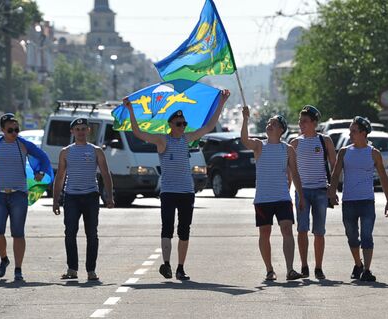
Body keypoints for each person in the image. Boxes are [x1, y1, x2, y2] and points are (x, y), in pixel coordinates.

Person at [123, 89, 230, 280]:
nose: (182, 127)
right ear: (171, 125)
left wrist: (222, 101)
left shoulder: (187, 139)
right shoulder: (162, 140)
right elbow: (138, 133)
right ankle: (166, 264)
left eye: (184, 124)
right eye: (179, 124)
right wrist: (131, 110)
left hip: (186, 192)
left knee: (184, 229)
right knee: (167, 228)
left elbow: (209, 126)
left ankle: (180, 267)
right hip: (169, 191)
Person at [0, 113, 52, 281]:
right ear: (2, 130)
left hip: (19, 195)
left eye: (16, 129)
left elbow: (43, 157)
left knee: (18, 234)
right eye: (10, 130)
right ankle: (4, 259)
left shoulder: (23, 144)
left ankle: (18, 270)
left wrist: (40, 172)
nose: (14, 133)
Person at [241, 106, 305, 281]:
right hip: (263, 199)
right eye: (269, 123)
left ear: (281, 130)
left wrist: (301, 196)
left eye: (274, 123)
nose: (269, 125)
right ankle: (269, 270)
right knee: (265, 233)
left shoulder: (288, 149)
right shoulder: (259, 145)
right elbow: (245, 140)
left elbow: (295, 173)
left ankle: (290, 269)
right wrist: (245, 119)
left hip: (282, 197)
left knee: (286, 229)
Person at [328, 116, 388, 282]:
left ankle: (367, 270)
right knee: (351, 236)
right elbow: (335, 174)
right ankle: (358, 264)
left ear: (364, 133)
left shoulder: (373, 153)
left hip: (366, 202)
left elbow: (384, 177)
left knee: (366, 236)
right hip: (349, 202)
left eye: (354, 131)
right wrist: (332, 192)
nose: (350, 134)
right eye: (350, 131)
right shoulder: (344, 152)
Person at [52, 118, 115, 281]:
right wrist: (55, 199)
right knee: (70, 233)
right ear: (72, 132)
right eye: (77, 129)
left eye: (83, 128)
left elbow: (106, 174)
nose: (80, 131)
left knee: (92, 234)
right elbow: (60, 177)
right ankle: (72, 269)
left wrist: (109, 196)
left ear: (88, 131)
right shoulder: (65, 152)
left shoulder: (96, 151)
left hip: (91, 196)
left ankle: (91, 271)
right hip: (71, 196)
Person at [290, 105, 336, 280]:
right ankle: (304, 266)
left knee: (319, 231)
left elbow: (334, 165)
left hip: (321, 191)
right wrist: (289, 193)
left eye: (305, 121)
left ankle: (318, 267)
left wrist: (333, 189)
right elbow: (290, 170)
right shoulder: (295, 143)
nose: (301, 124)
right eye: (300, 121)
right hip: (302, 192)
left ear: (315, 123)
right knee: (302, 229)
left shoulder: (325, 141)